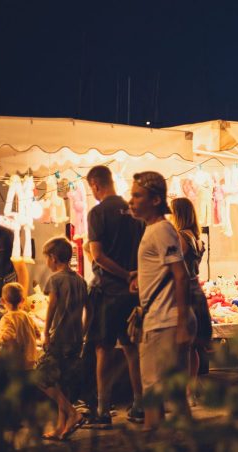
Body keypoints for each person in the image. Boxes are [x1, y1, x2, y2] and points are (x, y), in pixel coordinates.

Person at [129, 171, 195, 431]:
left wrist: (180, 324)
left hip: (163, 322)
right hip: (162, 319)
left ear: (155, 200)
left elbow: (181, 275)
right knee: (175, 394)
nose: (131, 202)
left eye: (137, 196)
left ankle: (154, 446)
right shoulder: (158, 230)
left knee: (155, 392)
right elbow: (169, 272)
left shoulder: (160, 230)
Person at [84, 165, 145, 428]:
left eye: (91, 189)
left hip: (108, 291)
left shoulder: (98, 213)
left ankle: (102, 410)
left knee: (103, 350)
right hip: (133, 294)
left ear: (96, 185)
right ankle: (140, 406)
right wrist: (135, 276)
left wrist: (123, 275)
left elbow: (97, 256)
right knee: (132, 349)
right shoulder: (134, 211)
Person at [38, 237, 88, 440]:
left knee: (42, 377)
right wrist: (83, 332)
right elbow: (89, 310)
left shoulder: (56, 280)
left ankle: (73, 413)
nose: (46, 263)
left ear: (53, 258)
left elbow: (51, 307)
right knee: (63, 381)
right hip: (76, 337)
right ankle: (61, 425)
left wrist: (46, 331)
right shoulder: (80, 280)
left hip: (59, 336)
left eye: (46, 259)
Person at [170, 197, 213, 405]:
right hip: (197, 289)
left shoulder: (180, 237)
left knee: (183, 346)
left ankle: (184, 393)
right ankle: (191, 388)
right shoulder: (197, 237)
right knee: (194, 346)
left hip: (185, 291)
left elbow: (174, 267)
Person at [0, 282, 38, 370]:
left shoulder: (7, 318)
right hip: (31, 360)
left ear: (2, 301)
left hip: (16, 362)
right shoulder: (26, 315)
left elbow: (7, 337)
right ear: (23, 300)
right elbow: (37, 333)